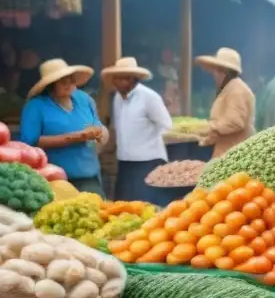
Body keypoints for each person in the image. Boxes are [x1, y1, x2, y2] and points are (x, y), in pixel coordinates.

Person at [19, 58, 107, 195]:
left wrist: (100, 135)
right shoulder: (35, 106)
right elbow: (30, 143)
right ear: (50, 85)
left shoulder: (84, 99)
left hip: (88, 176)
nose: (68, 85)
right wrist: (72, 138)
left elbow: (98, 127)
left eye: (71, 80)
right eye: (62, 81)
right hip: (53, 180)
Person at [104, 57, 173, 202]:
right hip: (125, 163)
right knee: (123, 207)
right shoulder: (117, 98)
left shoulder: (149, 97)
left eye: (122, 78)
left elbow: (166, 126)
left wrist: (150, 145)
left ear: (132, 79)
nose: (117, 82)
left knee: (148, 207)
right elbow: (117, 129)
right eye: (116, 78)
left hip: (148, 162)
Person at [195, 48, 255, 158]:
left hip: (235, 154)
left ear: (224, 72)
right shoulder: (229, 88)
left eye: (216, 71)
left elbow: (235, 122)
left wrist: (210, 127)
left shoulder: (237, 90)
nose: (214, 75)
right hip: (226, 151)